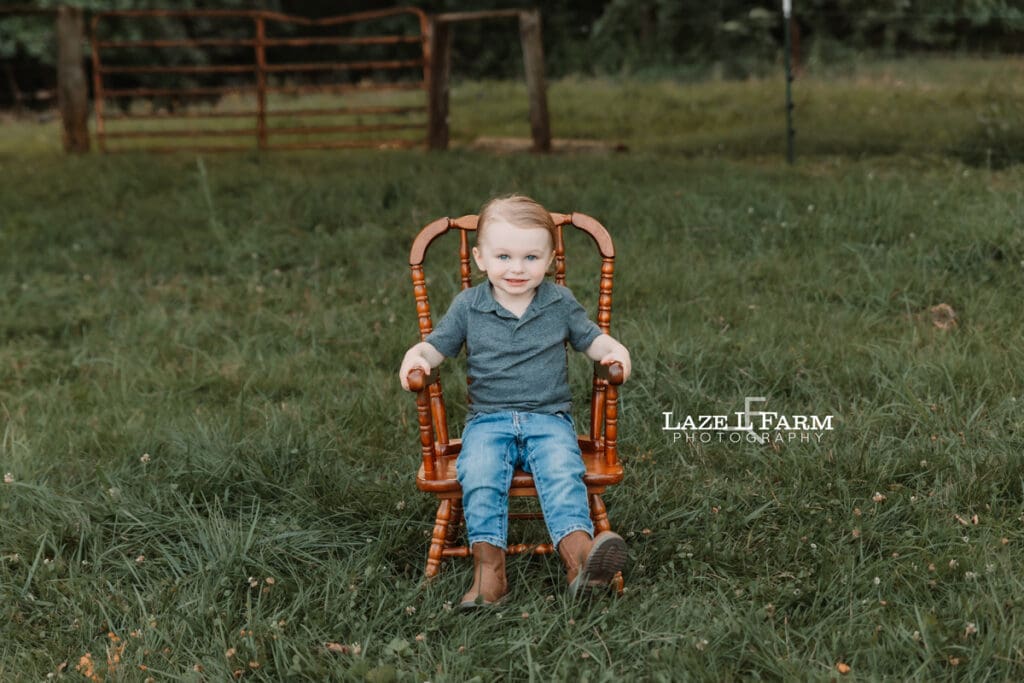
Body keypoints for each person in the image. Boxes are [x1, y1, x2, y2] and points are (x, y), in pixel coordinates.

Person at [399, 194, 632, 607]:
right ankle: (489, 572)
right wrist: (417, 358)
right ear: (481, 258)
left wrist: (614, 352)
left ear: (550, 259)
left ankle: (580, 558)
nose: (517, 269)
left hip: (548, 419)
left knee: (563, 471)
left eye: (531, 257)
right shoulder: (469, 306)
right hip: (488, 421)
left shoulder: (560, 302)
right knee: (479, 472)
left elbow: (592, 340)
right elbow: (436, 348)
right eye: (504, 256)